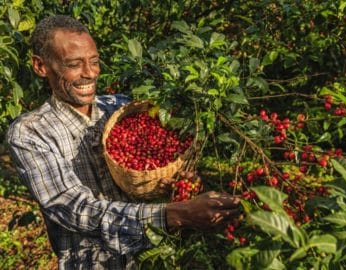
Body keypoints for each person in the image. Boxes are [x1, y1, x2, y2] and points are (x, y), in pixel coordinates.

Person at [6, 15, 241, 269]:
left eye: (94, 61)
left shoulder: (120, 107)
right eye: (74, 64)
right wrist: (174, 214)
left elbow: (154, 175)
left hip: (155, 259)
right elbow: (74, 208)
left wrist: (179, 186)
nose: (90, 73)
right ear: (41, 66)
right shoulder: (30, 132)